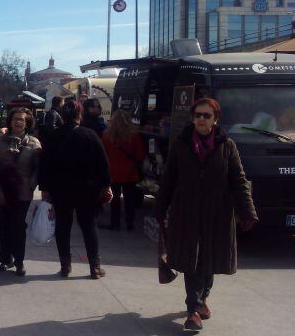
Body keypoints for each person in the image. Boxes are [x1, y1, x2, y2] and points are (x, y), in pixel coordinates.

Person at [154, 98, 257, 331]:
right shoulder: (181, 144)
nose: (201, 119)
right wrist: (160, 209)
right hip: (186, 211)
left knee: (208, 262)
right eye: (198, 115)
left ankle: (203, 297)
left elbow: (238, 180)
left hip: (217, 213)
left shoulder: (227, 146)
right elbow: (169, 179)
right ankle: (193, 309)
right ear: (192, 117)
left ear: (215, 119)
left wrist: (247, 212)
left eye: (206, 115)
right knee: (193, 261)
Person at [39, 101, 112, 279]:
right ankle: (94, 267)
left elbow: (45, 164)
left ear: (62, 116)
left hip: (61, 188)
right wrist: (107, 185)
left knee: (63, 226)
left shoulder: (54, 136)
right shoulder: (90, 135)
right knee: (89, 226)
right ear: (80, 115)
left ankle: (65, 266)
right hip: (88, 189)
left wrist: (45, 187)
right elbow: (103, 164)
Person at [0, 108, 41, 276]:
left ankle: (19, 261)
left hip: (23, 191)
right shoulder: (0, 140)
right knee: (5, 224)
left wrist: (32, 183)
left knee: (18, 226)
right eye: (15, 119)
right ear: (10, 121)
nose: (18, 122)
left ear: (27, 123)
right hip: (3, 189)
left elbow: (39, 168)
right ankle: (4, 259)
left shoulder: (34, 143)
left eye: (22, 120)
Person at [101, 110, 146, 231]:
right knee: (129, 199)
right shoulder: (134, 135)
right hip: (130, 172)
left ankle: (115, 223)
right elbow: (140, 155)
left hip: (113, 171)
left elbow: (102, 154)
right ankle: (129, 223)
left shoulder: (106, 135)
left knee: (114, 199)